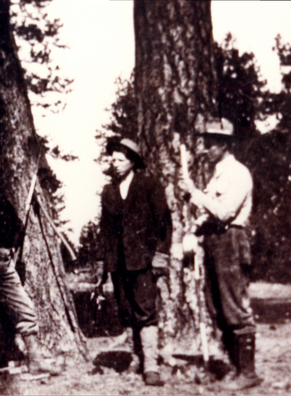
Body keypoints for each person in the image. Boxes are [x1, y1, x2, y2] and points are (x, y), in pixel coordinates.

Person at [179, 118, 262, 390]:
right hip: (214, 241)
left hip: (231, 241)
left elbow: (225, 211)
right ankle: (235, 369)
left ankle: (247, 373)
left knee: (235, 307)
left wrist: (194, 192)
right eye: (206, 141)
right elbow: (208, 211)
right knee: (218, 309)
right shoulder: (217, 174)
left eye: (214, 142)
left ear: (226, 143)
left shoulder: (237, 173)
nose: (208, 147)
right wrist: (192, 207)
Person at [0, 153, 61, 380]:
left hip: (4, 260)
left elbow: (17, 228)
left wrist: (13, 244)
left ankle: (36, 359)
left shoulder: (5, 203)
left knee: (24, 305)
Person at [99, 138, 172, 386]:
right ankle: (135, 358)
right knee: (126, 309)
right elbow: (106, 231)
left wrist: (160, 256)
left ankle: (151, 364)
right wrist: (105, 266)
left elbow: (164, 223)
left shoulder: (149, 185)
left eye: (120, 160)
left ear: (132, 162)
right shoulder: (108, 192)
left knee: (145, 310)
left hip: (143, 261)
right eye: (112, 160)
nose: (115, 164)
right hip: (119, 264)